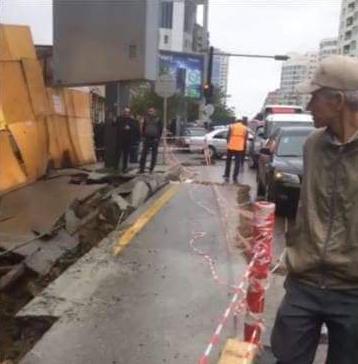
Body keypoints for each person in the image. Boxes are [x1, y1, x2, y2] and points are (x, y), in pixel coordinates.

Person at [271, 55, 358, 364]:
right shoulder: (311, 144)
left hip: (352, 291)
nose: (308, 107)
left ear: (336, 101)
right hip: (303, 283)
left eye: (314, 98)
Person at [223, 118, 248, 183]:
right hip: (239, 147)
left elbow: (228, 136)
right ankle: (235, 177)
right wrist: (244, 146)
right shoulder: (245, 128)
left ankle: (227, 175)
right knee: (237, 163)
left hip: (231, 146)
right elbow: (245, 138)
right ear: (242, 122)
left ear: (236, 121)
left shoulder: (232, 126)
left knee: (228, 161)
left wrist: (228, 143)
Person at [139, 107, 163, 173]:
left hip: (154, 139)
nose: (150, 112)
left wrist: (158, 138)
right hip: (147, 138)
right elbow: (143, 128)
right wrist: (143, 136)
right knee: (143, 154)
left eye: (152, 111)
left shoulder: (158, 119)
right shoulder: (146, 119)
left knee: (154, 155)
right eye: (149, 111)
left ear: (155, 112)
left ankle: (151, 169)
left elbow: (160, 129)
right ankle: (141, 169)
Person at [117, 107, 140, 173]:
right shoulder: (120, 119)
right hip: (120, 139)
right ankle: (117, 167)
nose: (126, 113)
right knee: (118, 153)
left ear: (129, 113)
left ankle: (124, 167)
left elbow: (135, 129)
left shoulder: (131, 120)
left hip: (128, 139)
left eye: (127, 112)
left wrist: (130, 128)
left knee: (126, 154)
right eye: (125, 112)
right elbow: (115, 125)